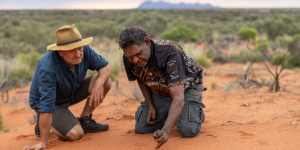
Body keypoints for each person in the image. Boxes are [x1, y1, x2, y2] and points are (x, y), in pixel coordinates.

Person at [24, 24, 112, 150]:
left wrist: (98, 84)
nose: (78, 54)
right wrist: (43, 142)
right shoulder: (48, 67)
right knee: (76, 134)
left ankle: (84, 120)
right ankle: (47, 125)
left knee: (105, 81)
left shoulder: (84, 50)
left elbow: (106, 68)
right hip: (49, 103)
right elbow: (47, 105)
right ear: (60, 52)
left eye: (79, 49)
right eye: (71, 51)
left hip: (70, 91)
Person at [119, 27, 206, 149]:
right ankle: (172, 111)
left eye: (138, 54)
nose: (134, 60)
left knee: (188, 129)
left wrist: (165, 130)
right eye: (130, 57)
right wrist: (150, 106)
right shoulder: (129, 57)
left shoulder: (169, 52)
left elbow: (178, 97)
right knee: (141, 128)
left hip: (186, 87)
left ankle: (195, 112)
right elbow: (140, 78)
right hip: (161, 88)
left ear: (147, 42)